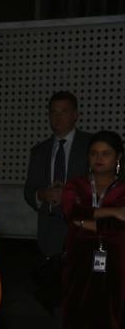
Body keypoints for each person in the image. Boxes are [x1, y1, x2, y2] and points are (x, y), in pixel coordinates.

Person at [23, 91, 92, 309]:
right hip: (49, 236)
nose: (58, 117)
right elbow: (29, 191)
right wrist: (41, 195)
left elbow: (108, 187)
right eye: (53, 112)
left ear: (75, 115)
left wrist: (71, 195)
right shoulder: (39, 150)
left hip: (83, 233)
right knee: (53, 301)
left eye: (64, 112)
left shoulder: (92, 146)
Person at [61, 130, 125, 329]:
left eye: (105, 153)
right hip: (78, 263)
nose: (98, 158)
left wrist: (84, 222)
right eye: (93, 153)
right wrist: (114, 211)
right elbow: (72, 211)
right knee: (76, 315)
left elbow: (120, 227)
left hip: (118, 264)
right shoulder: (75, 185)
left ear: (118, 158)